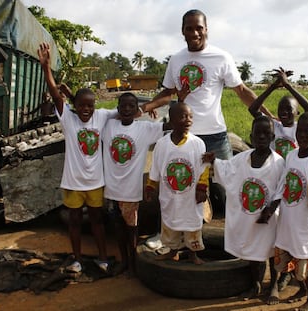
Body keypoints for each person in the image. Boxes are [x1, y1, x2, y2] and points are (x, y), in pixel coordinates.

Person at [140, 9, 274, 159]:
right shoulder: (176, 59)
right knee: (186, 180)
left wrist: (268, 115)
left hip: (215, 136)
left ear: (206, 29)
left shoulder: (221, 57)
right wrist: (145, 108)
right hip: (184, 135)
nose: (194, 33)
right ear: (182, 31)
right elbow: (168, 92)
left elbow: (242, 91)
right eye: (189, 29)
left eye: (199, 28)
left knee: (223, 180)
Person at [38, 42, 117, 273]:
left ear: (94, 106)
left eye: (90, 106)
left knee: (97, 222)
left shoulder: (101, 116)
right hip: (73, 183)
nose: (86, 109)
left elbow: (125, 110)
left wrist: (153, 107)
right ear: (75, 106)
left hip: (95, 183)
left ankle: (103, 257)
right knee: (74, 222)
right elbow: (55, 95)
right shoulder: (68, 119)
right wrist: (46, 69)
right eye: (81, 105)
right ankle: (77, 259)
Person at [202, 115, 284, 302]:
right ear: (251, 136)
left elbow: (282, 189)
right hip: (250, 217)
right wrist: (214, 161)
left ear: (272, 138)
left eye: (266, 134)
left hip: (269, 217)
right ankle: (255, 284)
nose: (262, 137)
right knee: (252, 251)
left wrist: (271, 209)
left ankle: (273, 286)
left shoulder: (279, 163)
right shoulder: (242, 159)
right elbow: (227, 170)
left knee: (272, 252)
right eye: (258, 134)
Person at [258, 111, 308, 310]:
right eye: (299, 132)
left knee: (305, 261)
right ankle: (301, 289)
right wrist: (271, 207)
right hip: (288, 217)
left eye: (307, 132)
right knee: (286, 256)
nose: (302, 136)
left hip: (307, 221)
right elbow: (283, 185)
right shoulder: (291, 156)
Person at [102, 92, 171, 277]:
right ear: (117, 109)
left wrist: (179, 100)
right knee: (117, 227)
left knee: (132, 230)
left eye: (131, 106)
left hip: (130, 192)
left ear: (136, 110)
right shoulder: (108, 126)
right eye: (123, 106)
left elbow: (170, 124)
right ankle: (124, 261)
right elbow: (95, 115)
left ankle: (133, 264)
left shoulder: (144, 129)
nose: (126, 109)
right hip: (111, 190)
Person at [145, 102, 209, 265]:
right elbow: (156, 167)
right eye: (183, 116)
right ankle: (173, 251)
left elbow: (204, 169)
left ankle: (193, 254)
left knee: (192, 224)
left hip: (190, 196)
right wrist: (150, 186)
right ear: (172, 121)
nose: (188, 120)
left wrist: (202, 188)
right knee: (170, 222)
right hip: (170, 195)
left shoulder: (197, 143)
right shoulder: (162, 144)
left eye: (190, 116)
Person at [249, 67, 308, 159]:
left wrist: (287, 85)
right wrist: (273, 86)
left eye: (289, 109)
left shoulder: (299, 127)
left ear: (297, 112)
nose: (284, 112)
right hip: (275, 169)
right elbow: (253, 109)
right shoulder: (273, 125)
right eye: (281, 109)